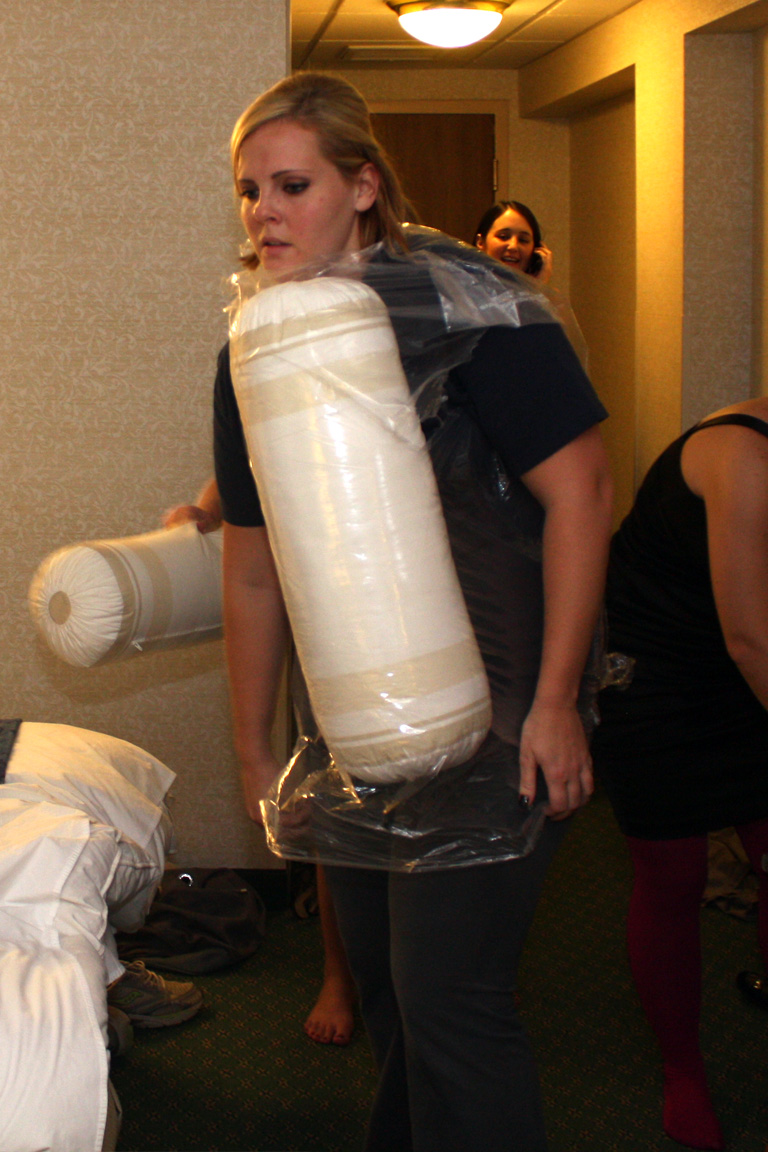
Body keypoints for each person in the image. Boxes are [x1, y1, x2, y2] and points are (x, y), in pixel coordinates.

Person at [216, 71, 612, 1152]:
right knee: (388, 990)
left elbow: (582, 492)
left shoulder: (470, 307)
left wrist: (556, 702)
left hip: (505, 702)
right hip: (355, 716)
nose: (263, 213)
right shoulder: (254, 348)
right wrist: (257, 752)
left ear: (364, 186)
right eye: (249, 191)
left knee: (450, 1002)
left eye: (292, 185)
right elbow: (254, 568)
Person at [592, 398, 768, 1151]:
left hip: (742, 667)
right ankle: (683, 1070)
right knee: (675, 877)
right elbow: (750, 637)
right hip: (654, 675)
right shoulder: (744, 454)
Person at [163, 482, 358, 1047]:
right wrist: (208, 509)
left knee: (456, 803)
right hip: (330, 612)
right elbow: (246, 452)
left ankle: (467, 967)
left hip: (448, 598)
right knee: (338, 817)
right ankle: (339, 976)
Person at [475, 200, 553, 284]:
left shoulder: (537, 290)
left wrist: (539, 285)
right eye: (503, 237)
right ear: (480, 242)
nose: (513, 246)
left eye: (523, 240)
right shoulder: (465, 287)